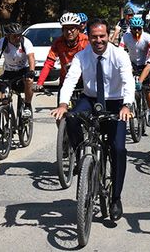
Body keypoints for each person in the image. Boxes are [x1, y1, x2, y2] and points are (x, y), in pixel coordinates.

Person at [51, 18, 134, 221]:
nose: (98, 40)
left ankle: (115, 198)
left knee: (118, 149)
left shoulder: (119, 54)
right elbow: (71, 79)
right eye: (94, 36)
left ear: (108, 36)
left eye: (102, 36)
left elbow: (128, 80)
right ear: (87, 36)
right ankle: (82, 154)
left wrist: (127, 105)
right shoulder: (82, 56)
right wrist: (63, 104)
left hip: (115, 101)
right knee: (70, 118)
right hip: (90, 98)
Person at [0, 23, 36, 118]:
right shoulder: (2, 42)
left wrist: (31, 71)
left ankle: (27, 105)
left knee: (29, 81)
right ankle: (6, 117)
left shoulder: (25, 42)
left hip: (23, 70)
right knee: (3, 98)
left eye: (19, 35)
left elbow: (31, 57)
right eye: (15, 36)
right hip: (8, 71)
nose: (18, 38)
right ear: (8, 36)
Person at [119, 16, 150, 125]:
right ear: (130, 29)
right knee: (127, 86)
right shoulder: (126, 37)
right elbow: (120, 51)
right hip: (132, 64)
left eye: (139, 29)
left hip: (145, 64)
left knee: (148, 89)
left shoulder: (147, 37)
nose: (137, 31)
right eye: (134, 29)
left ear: (142, 28)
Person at [35, 13, 88, 89]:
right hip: (65, 81)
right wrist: (40, 82)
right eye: (66, 29)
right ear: (62, 30)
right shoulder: (58, 43)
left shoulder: (86, 41)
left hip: (84, 81)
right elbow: (49, 63)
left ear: (78, 29)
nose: (69, 32)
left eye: (72, 28)